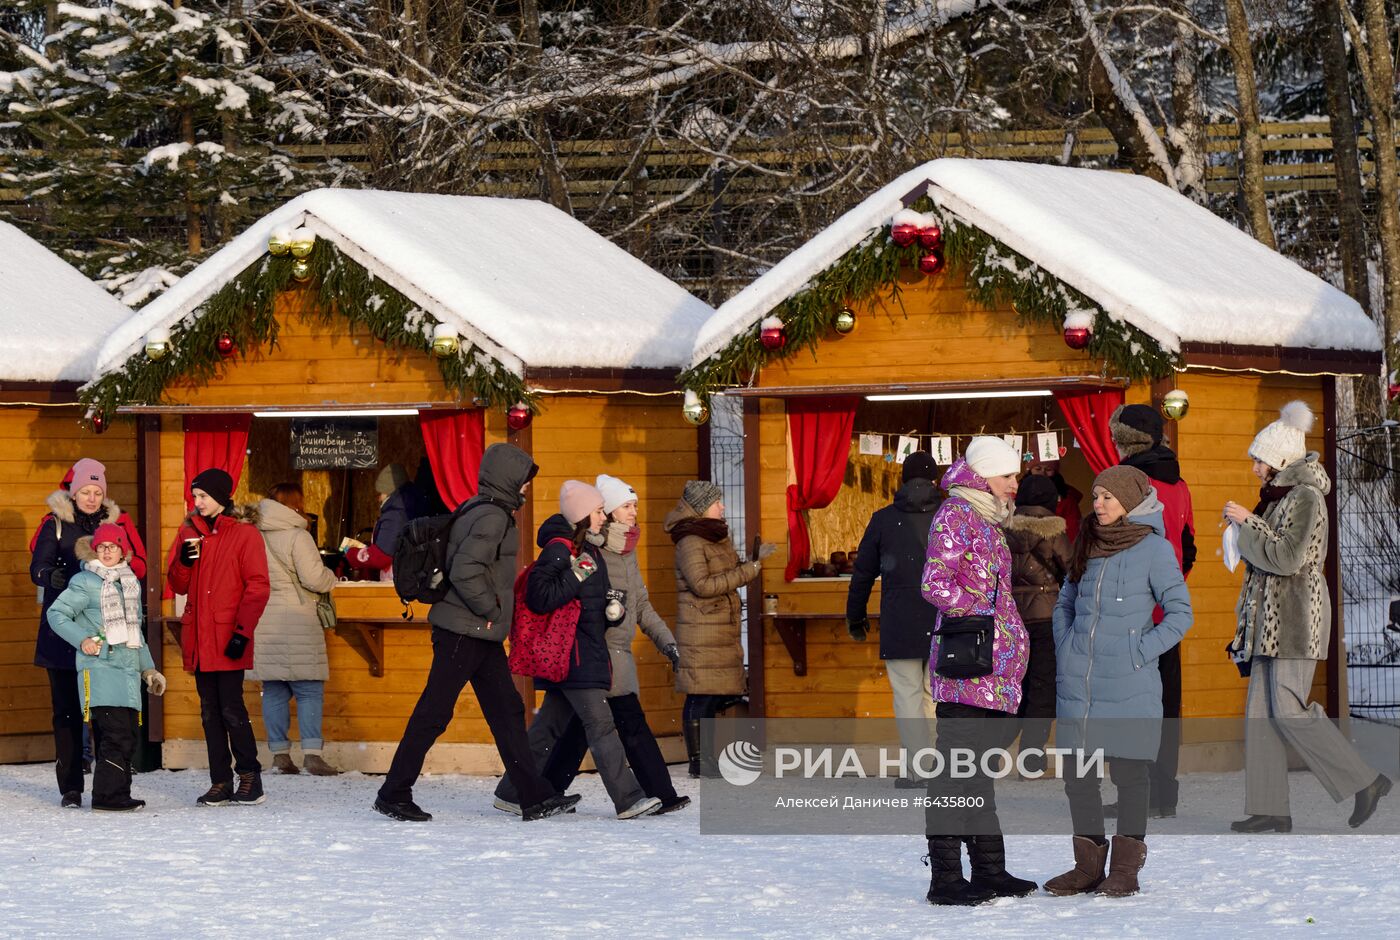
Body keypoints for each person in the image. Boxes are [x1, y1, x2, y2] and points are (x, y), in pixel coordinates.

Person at [375, 444, 579, 823]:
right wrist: (492, 609)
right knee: (433, 714)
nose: (526, 489)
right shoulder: (492, 517)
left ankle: (532, 796)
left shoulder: (481, 508)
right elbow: (466, 570)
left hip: (477, 632)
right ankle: (394, 792)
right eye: (522, 481)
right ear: (507, 479)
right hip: (465, 629)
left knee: (506, 711)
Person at [1225, 401, 1391, 833]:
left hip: (1297, 618)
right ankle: (1270, 808)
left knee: (1288, 708)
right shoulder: (1279, 497)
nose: (1255, 468)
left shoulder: (1307, 497)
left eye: (1259, 459)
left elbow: (1287, 557)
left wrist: (1247, 526)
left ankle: (1365, 780)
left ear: (1280, 460)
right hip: (1268, 622)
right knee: (1261, 713)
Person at [1045, 466, 1192, 898]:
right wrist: (1066, 640)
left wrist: (1138, 652)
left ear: (1131, 501)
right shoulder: (1087, 542)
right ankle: (1087, 868)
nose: (1099, 505)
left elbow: (1181, 614)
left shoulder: (1154, 549)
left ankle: (1125, 870)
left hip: (1128, 681)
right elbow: (1067, 600)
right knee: (1078, 775)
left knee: (1129, 774)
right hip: (1080, 680)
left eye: (1108, 497)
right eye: (1096, 497)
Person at [494, 481, 663, 819]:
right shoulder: (561, 550)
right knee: (601, 727)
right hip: (574, 657)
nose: (603, 517)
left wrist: (610, 608)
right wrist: (578, 574)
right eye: (599, 511)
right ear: (583, 515)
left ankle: (510, 792)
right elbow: (541, 597)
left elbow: (581, 602)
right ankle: (629, 799)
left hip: (577, 654)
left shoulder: (582, 549)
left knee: (547, 728)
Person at [530, 475, 690, 813]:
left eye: (635, 506)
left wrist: (668, 643)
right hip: (596, 651)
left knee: (578, 728)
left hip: (611, 651)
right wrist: (605, 609)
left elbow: (642, 605)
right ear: (607, 512)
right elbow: (564, 599)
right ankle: (654, 794)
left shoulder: (627, 551)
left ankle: (539, 789)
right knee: (621, 723)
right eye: (626, 506)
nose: (634, 512)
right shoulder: (589, 549)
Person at [918, 437, 1034, 906]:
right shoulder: (956, 515)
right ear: (984, 475)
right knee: (953, 772)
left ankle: (990, 870)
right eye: (1007, 476)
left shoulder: (988, 520)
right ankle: (946, 878)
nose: (1014, 484)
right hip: (968, 665)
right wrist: (982, 615)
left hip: (995, 669)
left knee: (977, 772)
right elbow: (934, 584)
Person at [29, 457, 148, 808]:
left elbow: (137, 563)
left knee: (106, 711)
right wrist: (53, 577)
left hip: (106, 636)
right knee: (66, 712)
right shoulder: (56, 525)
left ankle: (109, 784)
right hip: (64, 636)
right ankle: (70, 786)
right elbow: (37, 566)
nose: (92, 498)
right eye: (86, 491)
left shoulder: (117, 526)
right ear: (74, 491)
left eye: (98, 492)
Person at [1108, 403, 1196, 818]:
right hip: (1168, 613)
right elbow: (1189, 548)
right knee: (1167, 706)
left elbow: (1111, 545)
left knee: (1129, 705)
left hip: (1132, 614)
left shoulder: (1125, 484)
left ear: (1125, 441)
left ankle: (1136, 796)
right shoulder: (1180, 485)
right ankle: (1165, 795)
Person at [167, 469, 271, 807]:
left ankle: (250, 776)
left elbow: (257, 587)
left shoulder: (244, 535)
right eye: (194, 497)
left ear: (221, 497)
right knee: (210, 712)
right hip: (199, 638)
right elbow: (179, 584)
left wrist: (242, 633)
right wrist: (183, 562)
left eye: (202, 497)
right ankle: (220, 781)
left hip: (227, 637)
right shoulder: (189, 533)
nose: (196, 502)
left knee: (231, 709)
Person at [45, 525, 166, 811]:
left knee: (128, 735)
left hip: (127, 671)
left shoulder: (130, 583)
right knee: (115, 733)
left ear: (123, 550)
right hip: (99, 667)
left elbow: (136, 634)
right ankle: (108, 796)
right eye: (101, 547)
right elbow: (56, 613)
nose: (107, 551)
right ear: (94, 550)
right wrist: (82, 640)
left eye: (113, 546)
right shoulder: (84, 581)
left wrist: (149, 671)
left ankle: (118, 793)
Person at [663, 481, 773, 777]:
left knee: (710, 695)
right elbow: (702, 585)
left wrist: (751, 560)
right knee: (701, 696)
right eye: (716, 503)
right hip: (702, 629)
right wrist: (748, 572)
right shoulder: (690, 541)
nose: (722, 507)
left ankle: (707, 759)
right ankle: (700, 761)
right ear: (701, 508)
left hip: (716, 628)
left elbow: (725, 572)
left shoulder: (713, 536)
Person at [845, 451, 942, 787]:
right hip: (943, 618)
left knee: (907, 697)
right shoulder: (950, 517)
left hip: (900, 619)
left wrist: (855, 617)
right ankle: (933, 766)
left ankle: (918, 769)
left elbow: (862, 574)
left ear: (902, 481)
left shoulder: (884, 519)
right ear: (935, 480)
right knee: (933, 695)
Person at [252, 483, 340, 776]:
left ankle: (279, 756)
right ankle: (312, 755)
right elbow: (314, 579)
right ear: (296, 505)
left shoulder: (253, 534)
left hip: (263, 617)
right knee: (309, 688)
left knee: (274, 689)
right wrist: (331, 577)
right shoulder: (298, 536)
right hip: (298, 618)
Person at [1004, 472, 1071, 776]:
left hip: (1010, 620)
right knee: (1043, 687)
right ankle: (1032, 756)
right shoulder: (1055, 533)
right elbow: (1072, 572)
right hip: (1046, 620)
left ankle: (993, 750)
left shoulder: (1001, 529)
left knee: (1011, 685)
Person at [346, 463, 429, 578]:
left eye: (380, 493)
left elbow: (382, 557)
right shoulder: (410, 505)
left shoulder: (395, 514)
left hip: (396, 582)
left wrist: (351, 554)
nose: (378, 498)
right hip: (410, 576)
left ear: (389, 491)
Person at [1027, 458, 1082, 542]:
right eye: (1038, 469)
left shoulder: (1067, 499)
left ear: (1055, 472)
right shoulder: (1015, 492)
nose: (1043, 473)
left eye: (1048, 469)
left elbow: (1072, 535)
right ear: (1029, 470)